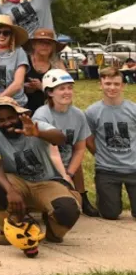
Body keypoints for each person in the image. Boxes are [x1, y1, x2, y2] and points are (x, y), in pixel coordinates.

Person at [0, 95, 80, 245]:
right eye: (1, 120)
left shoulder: (35, 125)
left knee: (68, 210)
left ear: (19, 115)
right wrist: (11, 191)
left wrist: (38, 133)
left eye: (10, 117)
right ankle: (7, 229)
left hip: (46, 181)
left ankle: (53, 232)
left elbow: (61, 139)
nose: (7, 123)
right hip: (17, 182)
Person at [33, 70, 99, 217]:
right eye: (61, 88)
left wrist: (69, 173)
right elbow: (52, 152)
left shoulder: (78, 115)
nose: (67, 92)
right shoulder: (41, 115)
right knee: (59, 210)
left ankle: (82, 197)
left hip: (67, 165)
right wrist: (65, 176)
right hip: (45, 166)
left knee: (76, 163)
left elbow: (80, 149)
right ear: (50, 92)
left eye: (69, 88)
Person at [85, 67, 136, 220]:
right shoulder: (92, 112)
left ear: (123, 86)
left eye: (116, 84)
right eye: (107, 83)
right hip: (107, 170)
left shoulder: (133, 109)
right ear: (100, 84)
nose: (112, 87)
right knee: (110, 214)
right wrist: (101, 155)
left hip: (133, 167)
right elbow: (89, 139)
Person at [23, 28, 64, 112]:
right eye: (41, 43)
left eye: (48, 43)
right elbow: (13, 82)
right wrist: (24, 87)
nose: (44, 46)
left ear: (53, 47)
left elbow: (65, 89)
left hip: (50, 110)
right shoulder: (23, 60)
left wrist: (41, 87)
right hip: (24, 109)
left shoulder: (57, 65)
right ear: (33, 45)